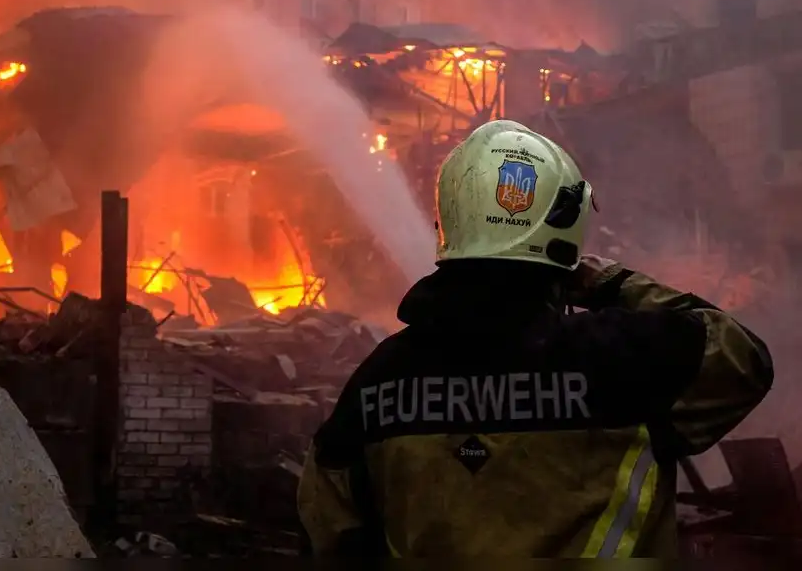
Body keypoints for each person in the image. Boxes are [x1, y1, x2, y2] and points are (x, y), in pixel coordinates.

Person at [296, 119, 774, 558]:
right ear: (566, 228)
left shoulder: (377, 383)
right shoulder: (623, 356)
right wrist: (611, 284)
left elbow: (328, 533)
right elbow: (742, 356)